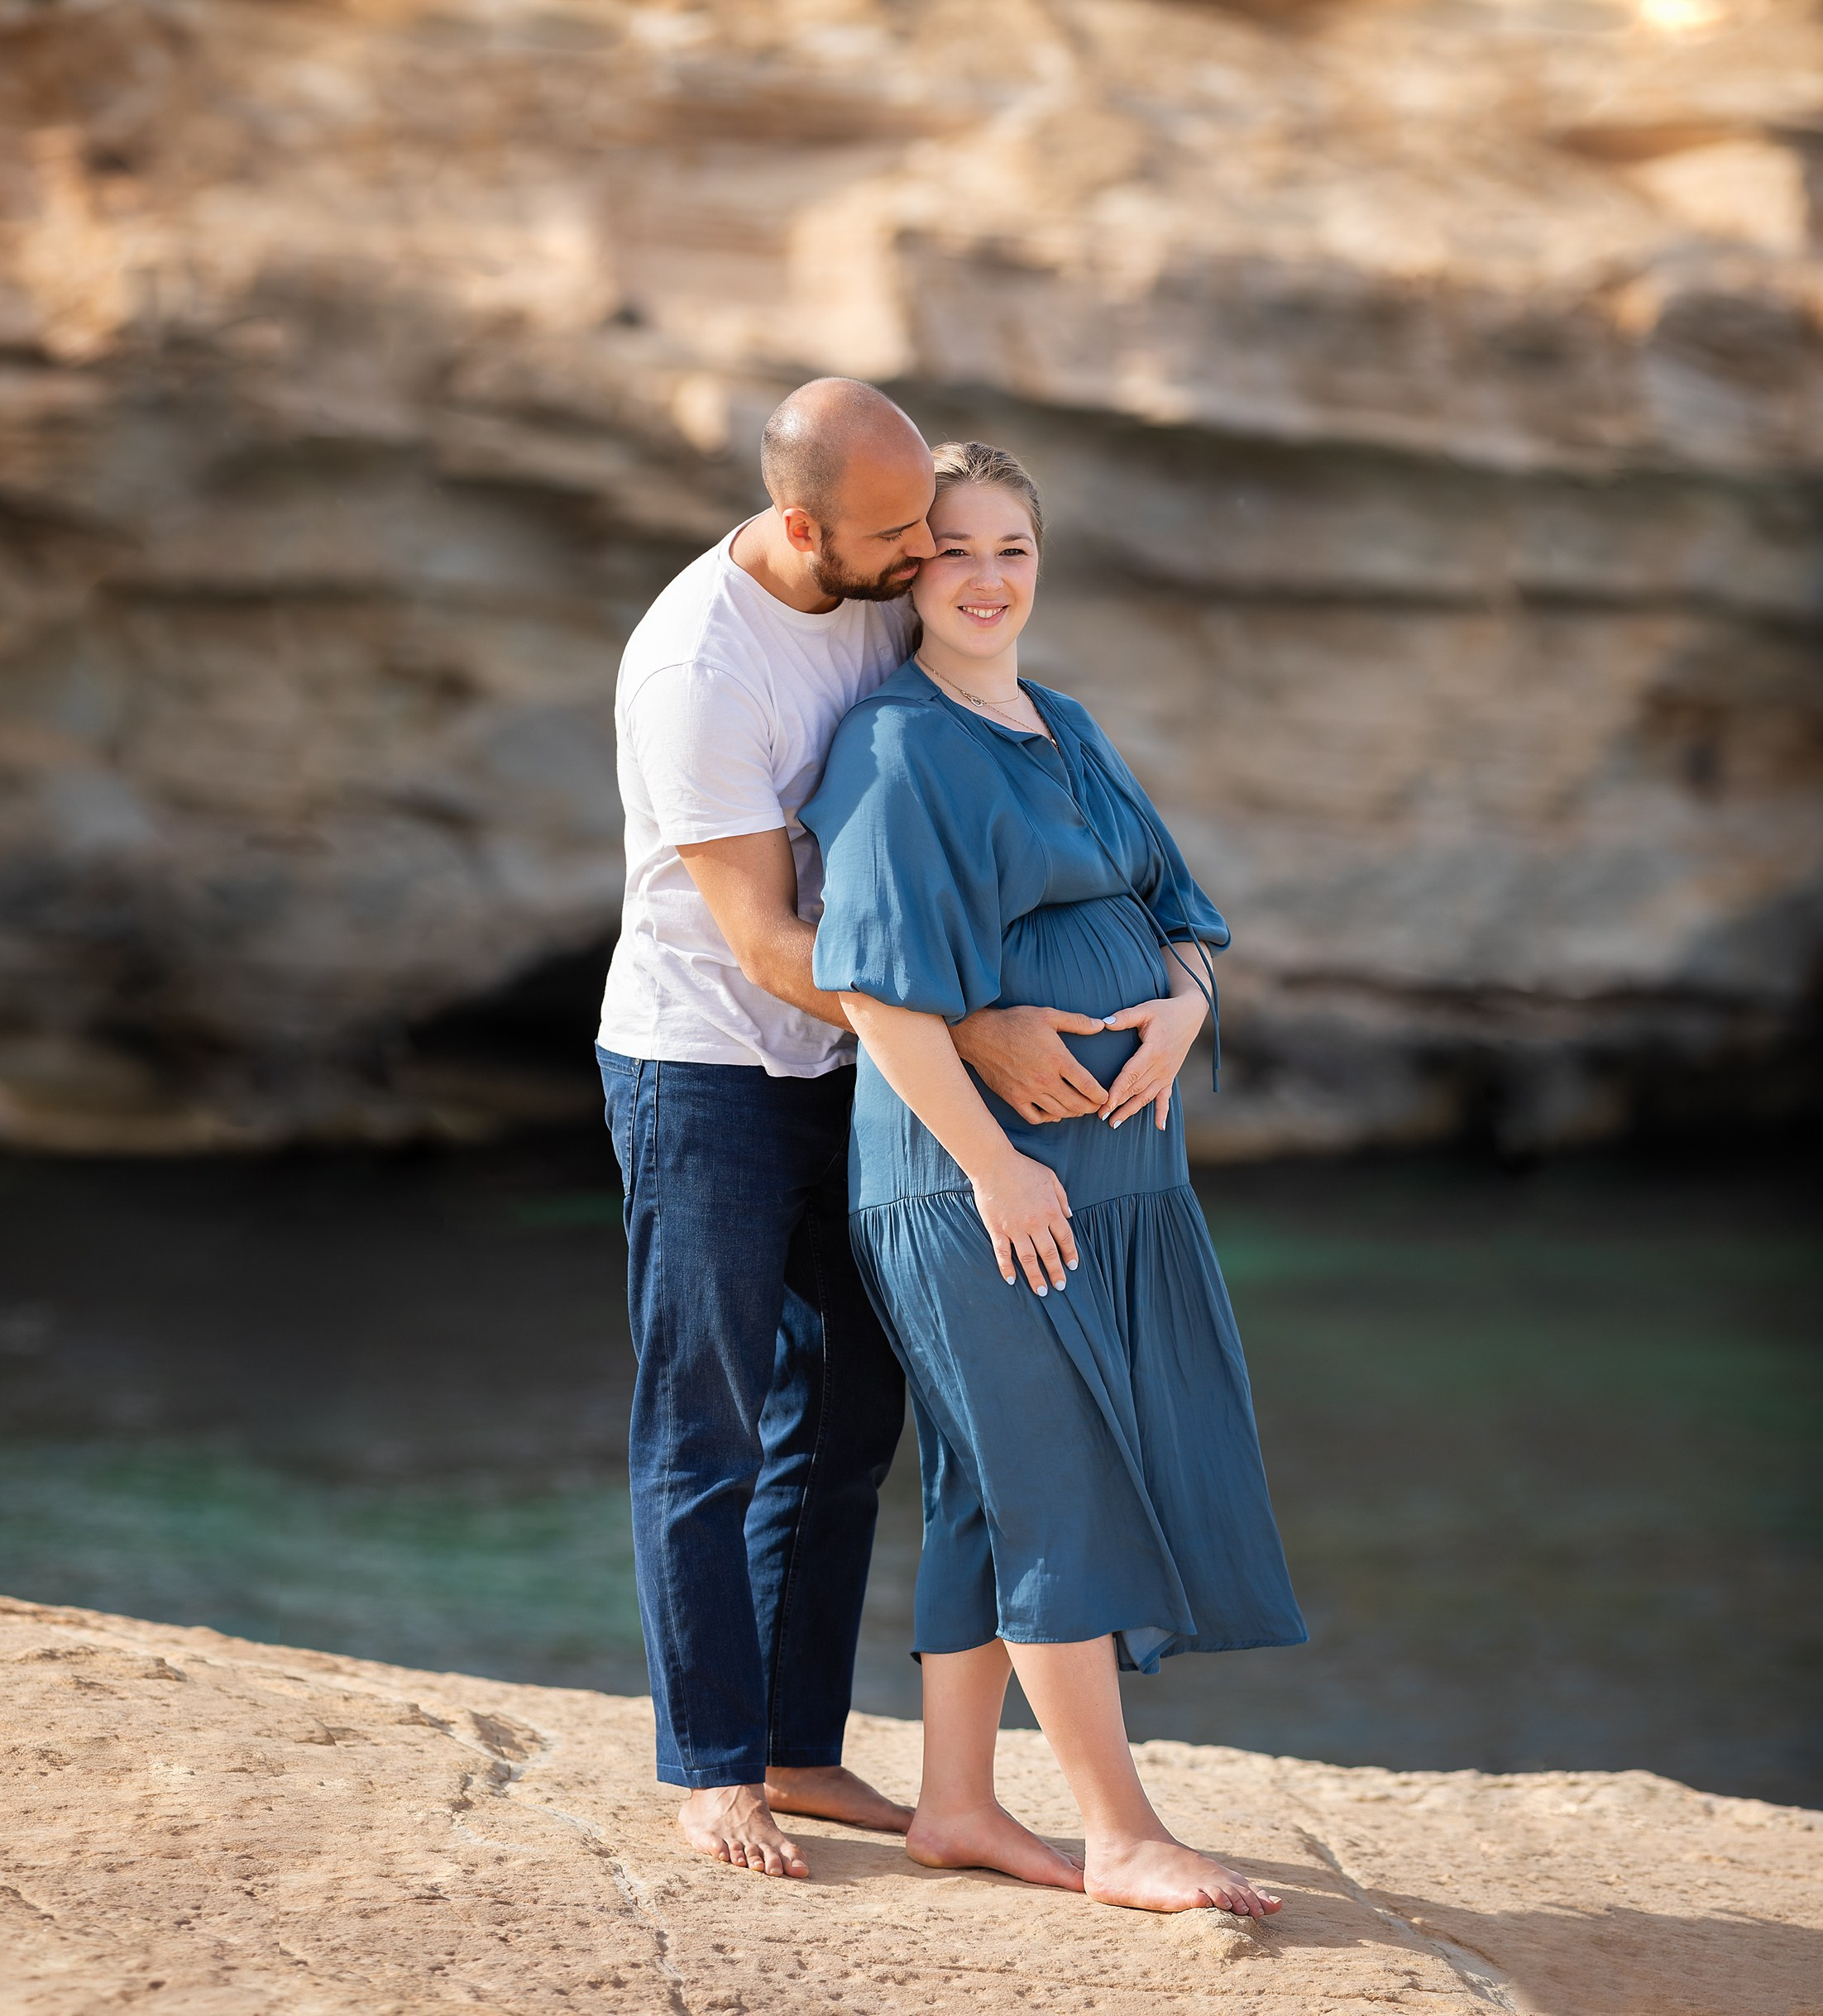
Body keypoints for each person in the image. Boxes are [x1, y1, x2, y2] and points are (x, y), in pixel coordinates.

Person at [596, 385, 1120, 1881]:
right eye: (897, 535)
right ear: (801, 522)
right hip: (702, 1064)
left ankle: (800, 1745)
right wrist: (975, 1027)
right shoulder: (700, 664)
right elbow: (764, 942)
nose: (923, 559)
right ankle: (711, 1766)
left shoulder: (881, 590)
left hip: (857, 1067)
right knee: (702, 1422)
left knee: (847, 1413)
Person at [801, 441, 1307, 1917]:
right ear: (909, 570)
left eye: (1011, 548)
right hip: (980, 1184)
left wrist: (1186, 1006)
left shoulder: (1059, 722)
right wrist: (999, 1172)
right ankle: (1120, 1829)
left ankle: (957, 1801)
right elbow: (882, 996)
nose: (984, 576)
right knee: (1058, 1478)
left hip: (1120, 1182)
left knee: (986, 1486)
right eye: (953, 548)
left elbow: (1181, 913)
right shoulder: (895, 748)